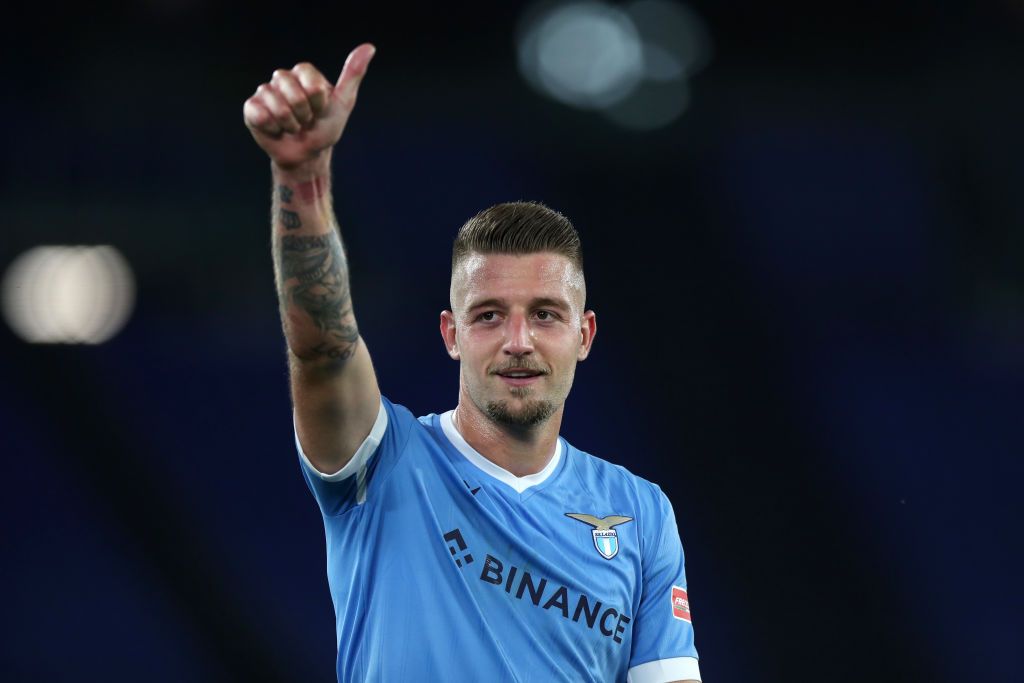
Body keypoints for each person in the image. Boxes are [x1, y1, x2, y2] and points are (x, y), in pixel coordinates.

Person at [243, 43, 701, 683]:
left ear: (584, 334)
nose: (518, 340)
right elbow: (322, 347)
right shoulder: (382, 463)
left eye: (545, 314)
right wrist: (301, 178)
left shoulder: (642, 514)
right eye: (488, 315)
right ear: (451, 333)